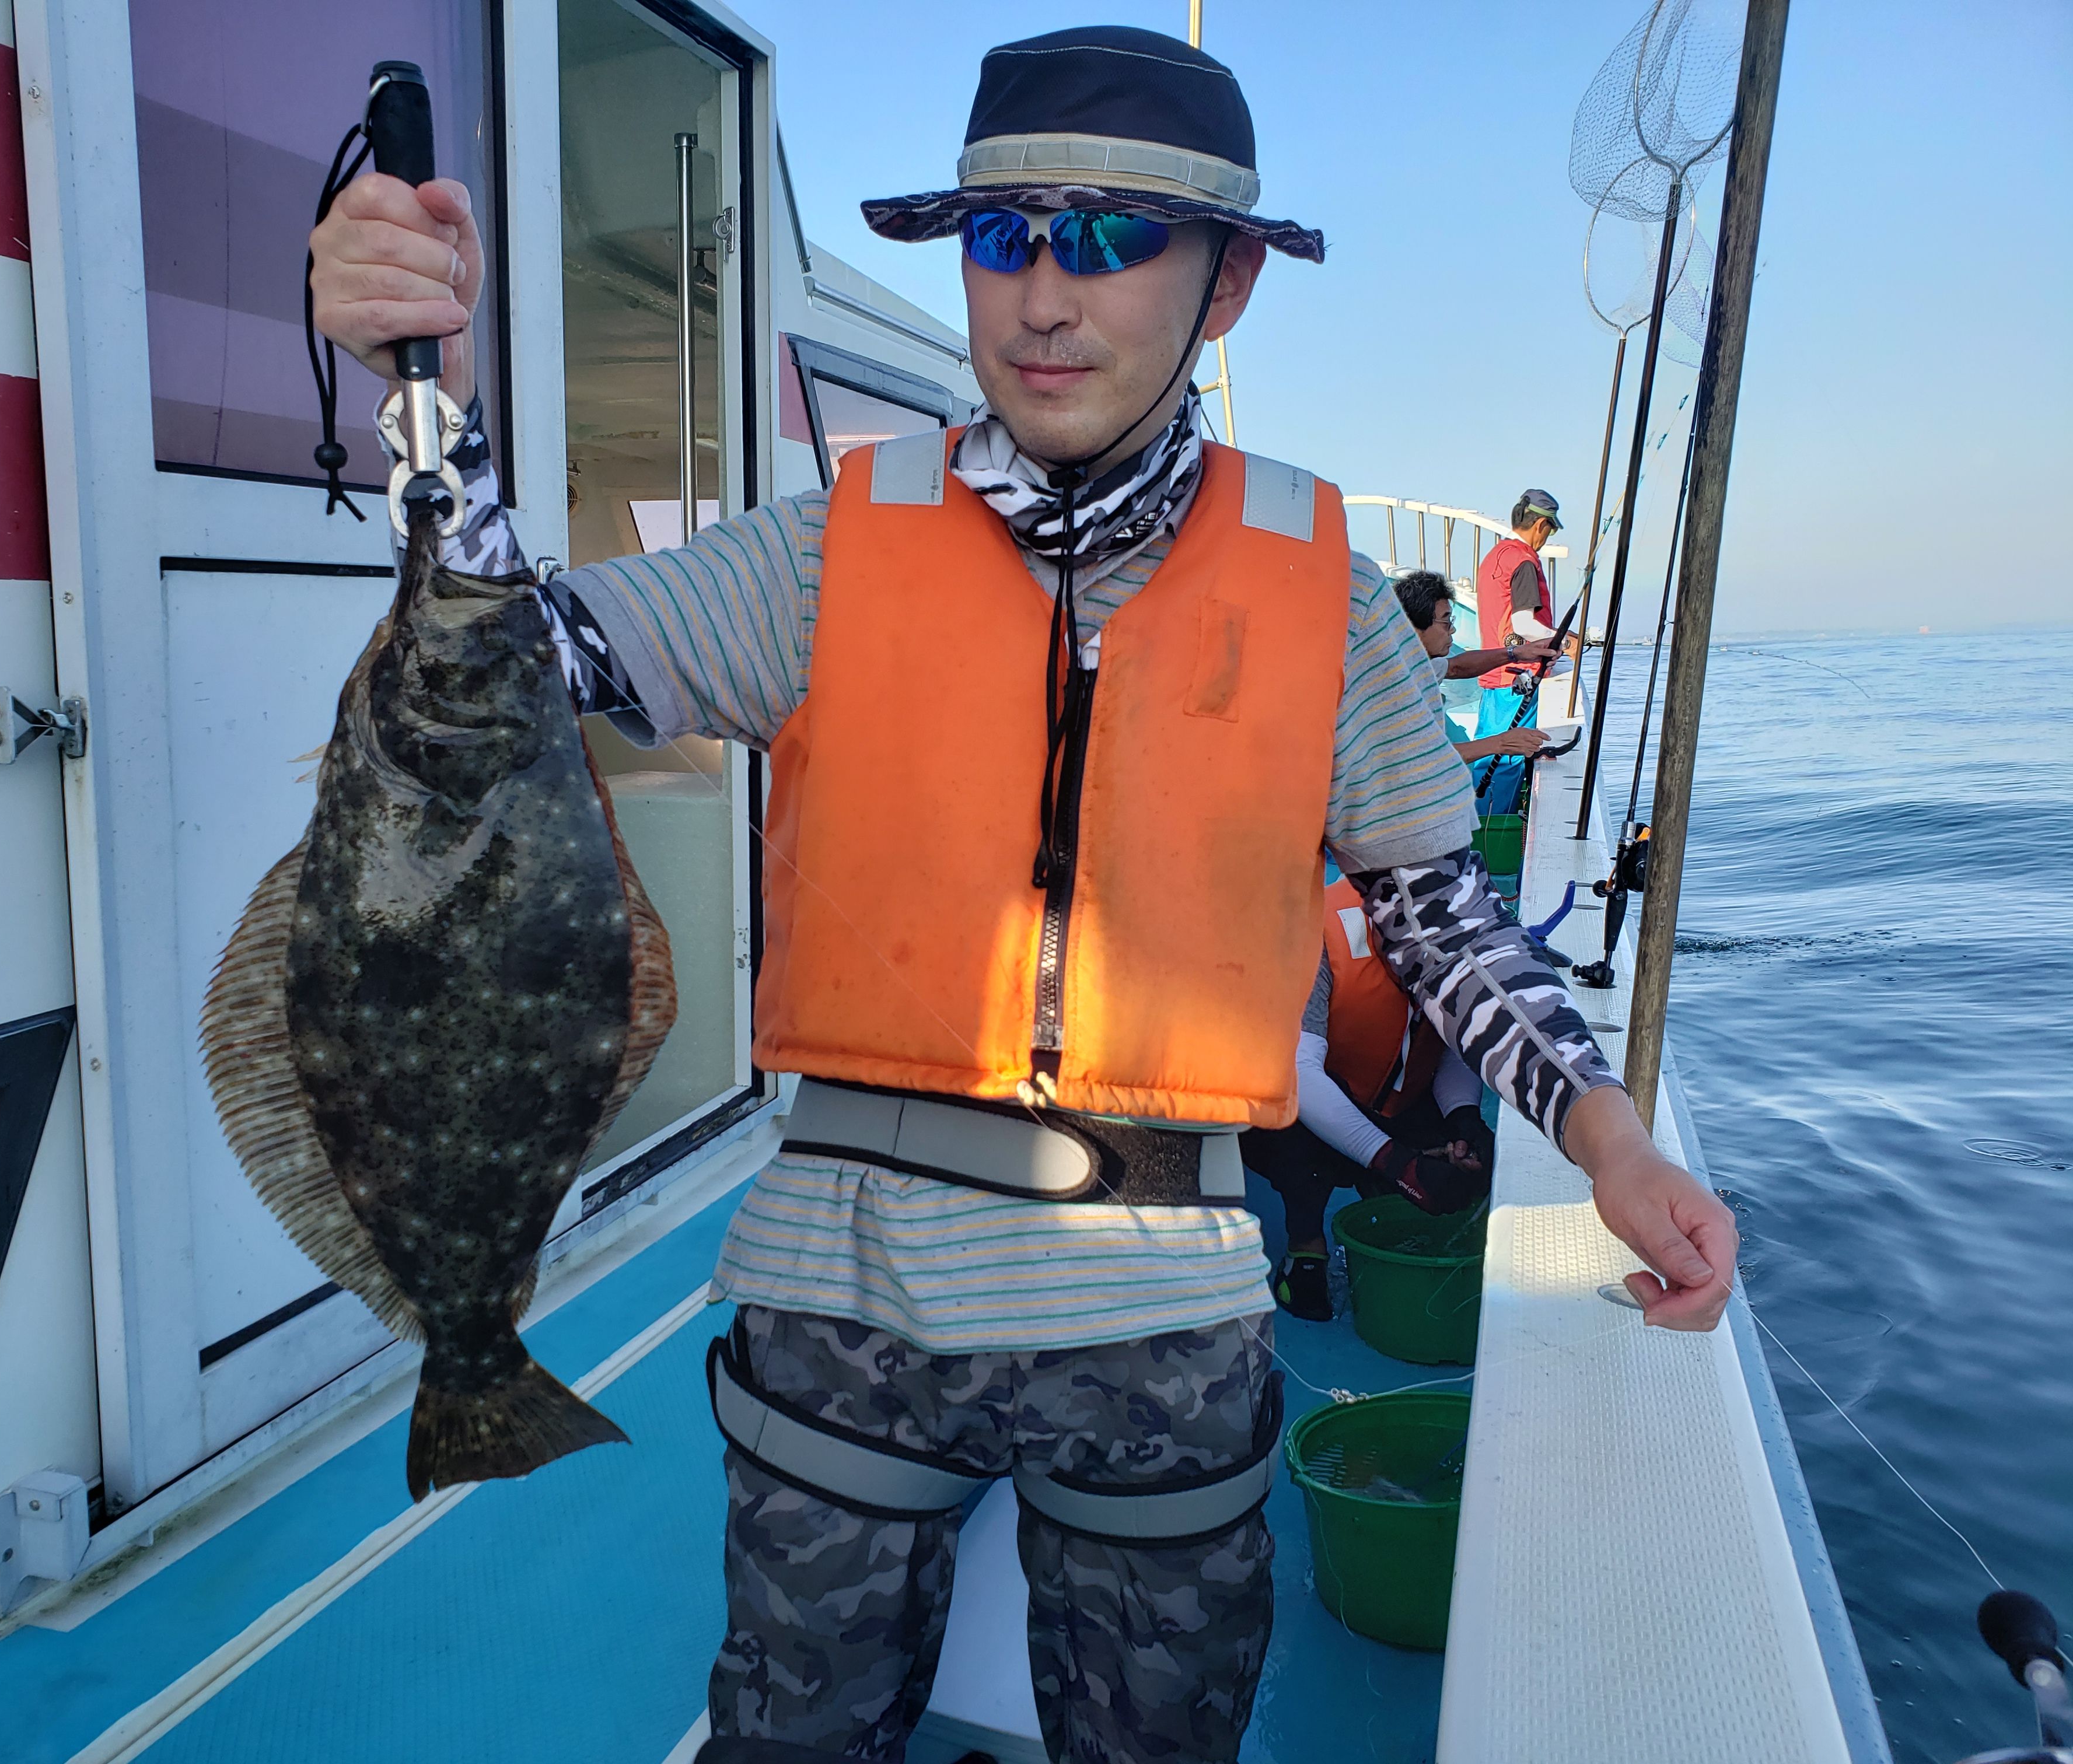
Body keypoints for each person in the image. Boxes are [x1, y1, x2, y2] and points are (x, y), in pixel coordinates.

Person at [310, 26, 1736, 1763]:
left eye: (1115, 239)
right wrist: (428, 407)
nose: (1047, 299)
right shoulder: (827, 546)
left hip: (1165, 1315)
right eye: (1007, 238)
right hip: (843, 1293)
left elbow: (1445, 919)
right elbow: (515, 667)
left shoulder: (1331, 597)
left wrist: (1606, 1138)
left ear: (1225, 289)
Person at [1244, 877, 1495, 1321]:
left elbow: (1453, 1043)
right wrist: (1396, 1163)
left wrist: (1464, 1117)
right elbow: (1299, 1073)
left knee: (1467, 1170)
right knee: (1294, 1127)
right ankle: (1305, 1247)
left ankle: (1389, 1195)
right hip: (1297, 1099)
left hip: (1395, 1099)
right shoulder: (1312, 935)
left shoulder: (1461, 932)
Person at [1396, 569, 1553, 765]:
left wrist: (1518, 653)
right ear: (1414, 626)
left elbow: (1456, 668)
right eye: (1446, 621)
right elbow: (1424, 756)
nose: (1452, 629)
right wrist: (1501, 743)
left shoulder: (1418, 664)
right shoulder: (1396, 685)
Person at [1472, 490, 1564, 740]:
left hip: (1496, 673)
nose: (1546, 537)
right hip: (1519, 678)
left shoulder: (1496, 555)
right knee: (1509, 751)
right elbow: (1524, 625)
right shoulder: (1524, 561)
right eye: (1550, 530)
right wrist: (1565, 642)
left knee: (1490, 745)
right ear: (1541, 525)